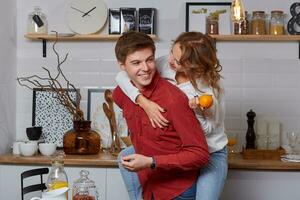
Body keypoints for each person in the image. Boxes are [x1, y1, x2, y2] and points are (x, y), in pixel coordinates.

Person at [116, 31, 228, 200]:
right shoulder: (162, 65)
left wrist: (195, 111)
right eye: (171, 54)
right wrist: (144, 102)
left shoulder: (205, 92)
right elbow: (122, 76)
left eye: (177, 61)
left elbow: (207, 131)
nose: (170, 62)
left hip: (212, 150)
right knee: (123, 156)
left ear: (193, 66)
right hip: (180, 149)